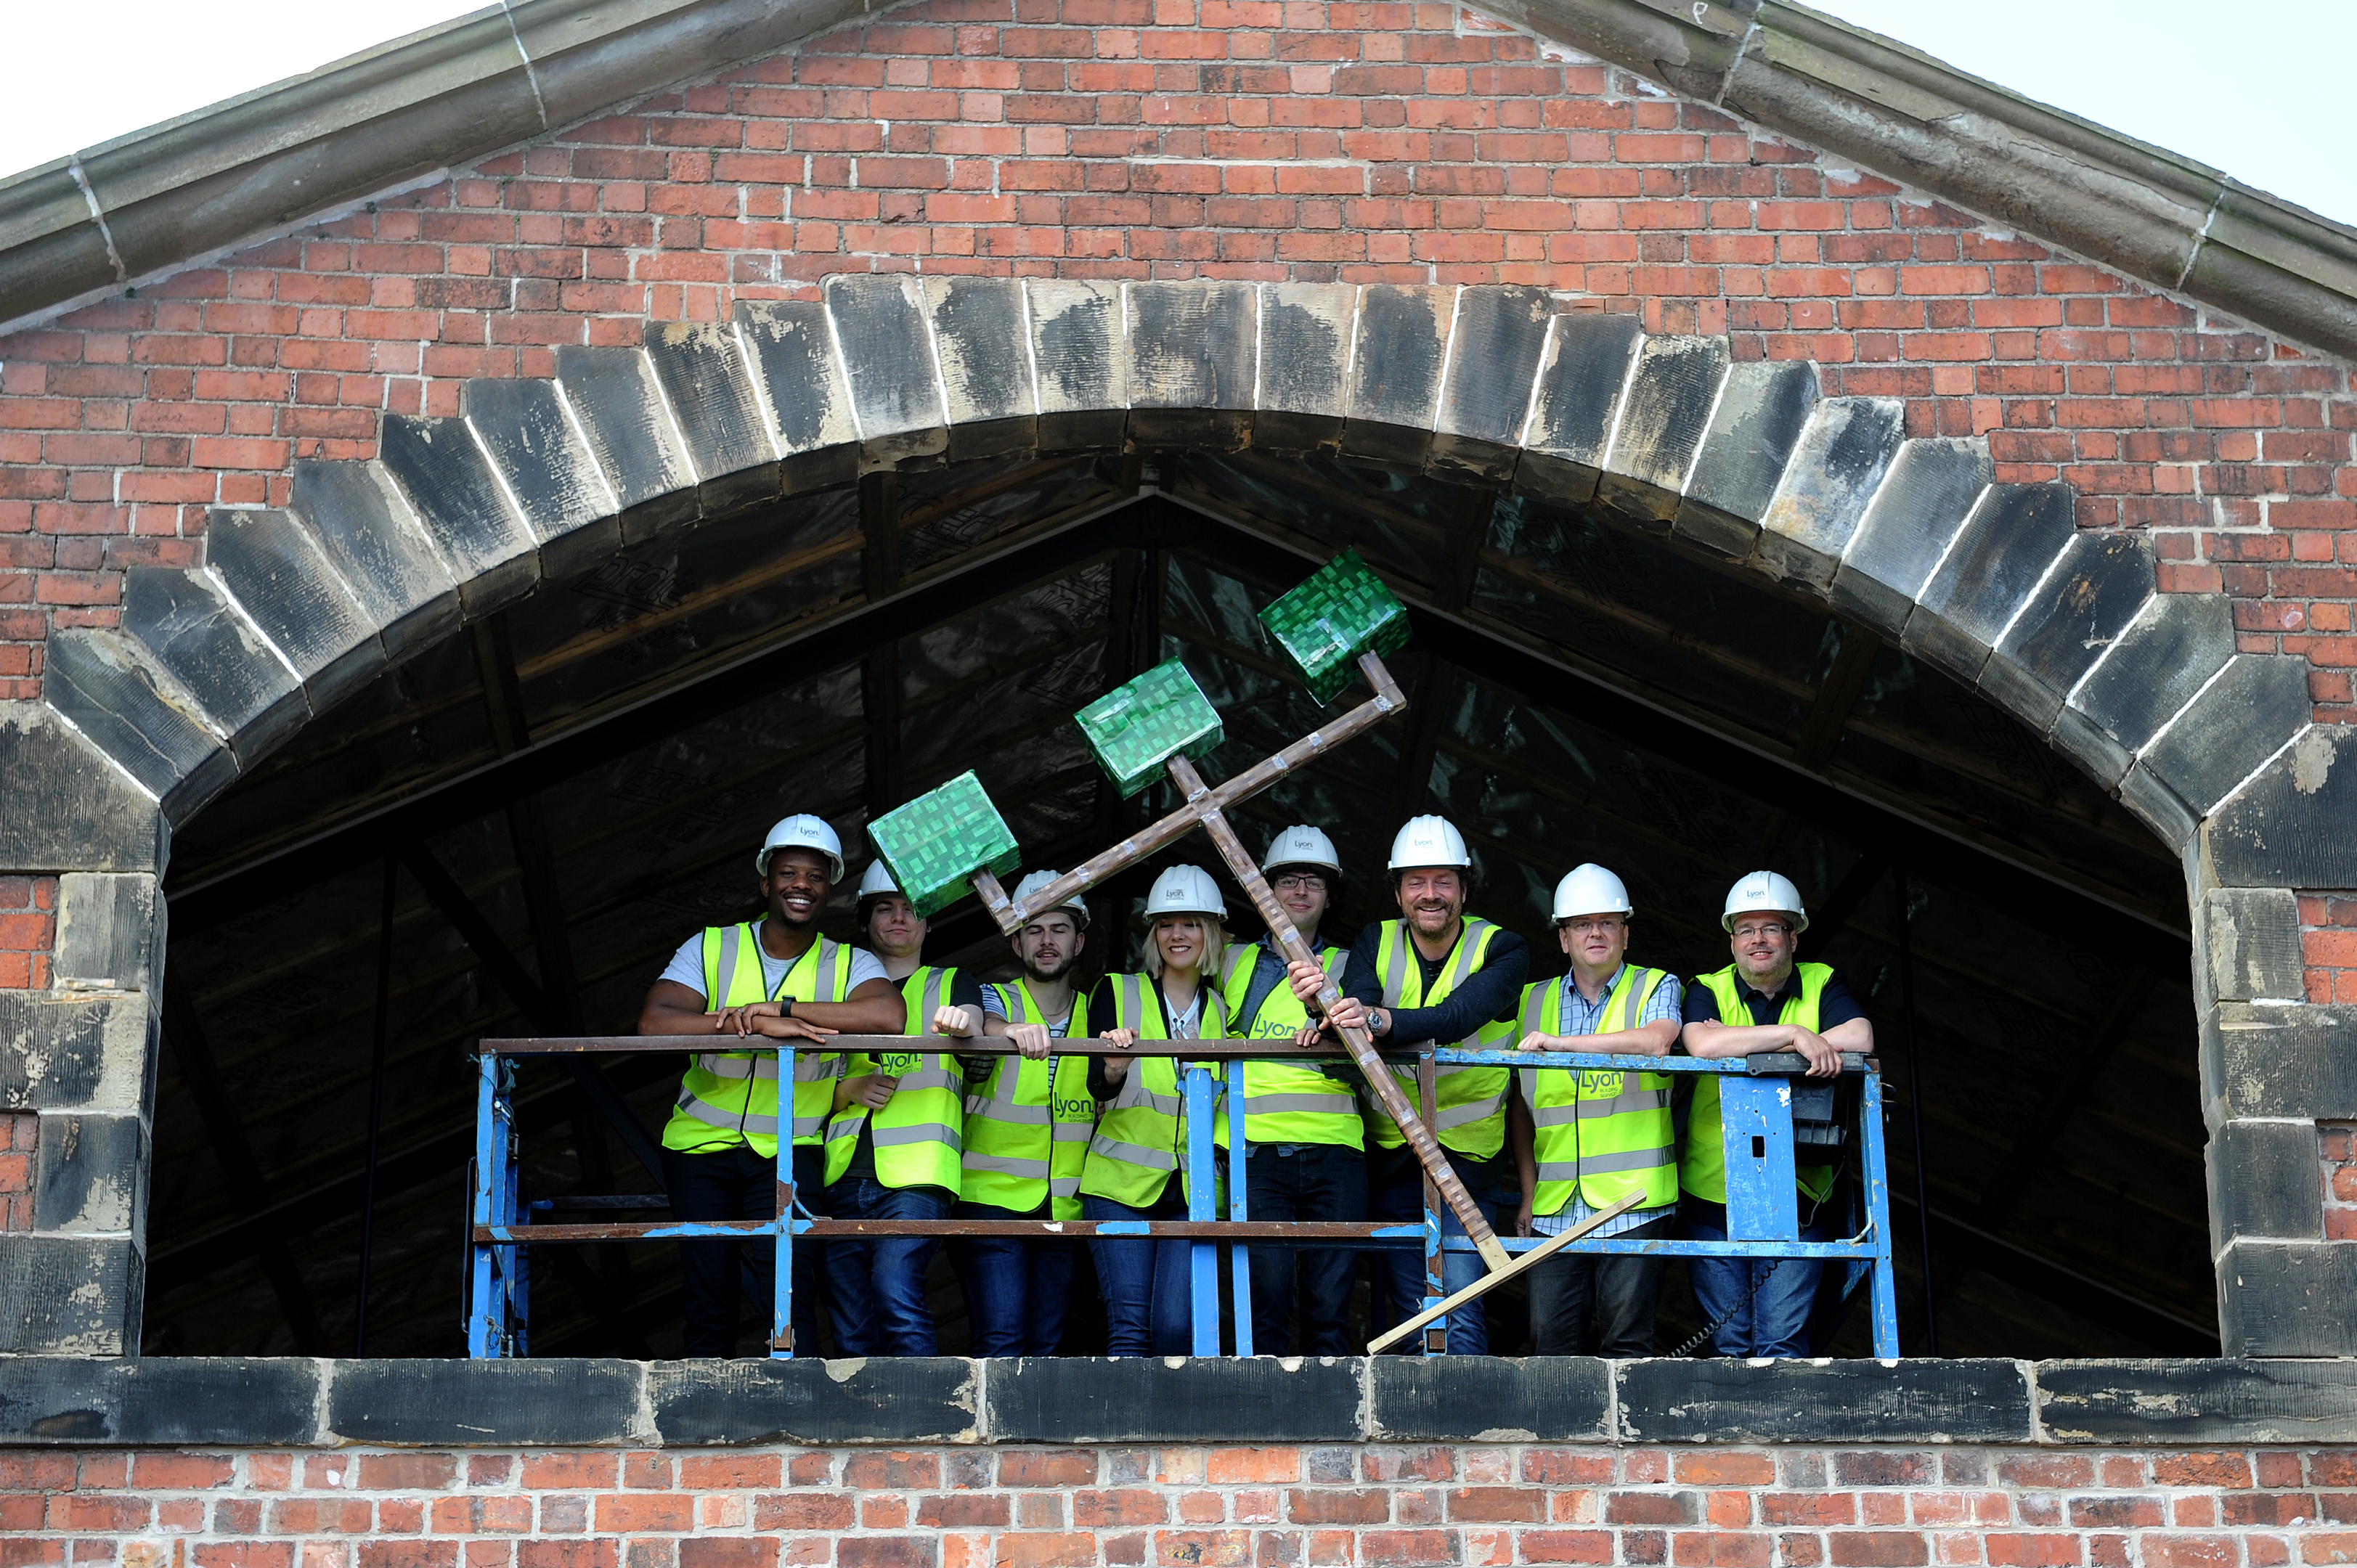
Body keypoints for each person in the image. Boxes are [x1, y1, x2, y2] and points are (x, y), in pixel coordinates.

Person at [638, 814, 906, 1357]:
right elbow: (656, 1022)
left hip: (790, 1149)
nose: (801, 885)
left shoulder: (849, 961)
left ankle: (794, 1422)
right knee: (709, 1296)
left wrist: (785, 1009)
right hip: (698, 1147)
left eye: (814, 875)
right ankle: (702, 1423)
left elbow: (889, 1014)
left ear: (828, 890)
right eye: (789, 873)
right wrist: (757, 1023)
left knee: (788, 1293)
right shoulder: (712, 946)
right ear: (766, 883)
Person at [1290, 814, 1528, 1355]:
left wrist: (1381, 1021)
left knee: (1459, 1308)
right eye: (1415, 882)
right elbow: (1359, 1002)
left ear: (1464, 889)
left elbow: (1458, 1015)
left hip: (1465, 1157)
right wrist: (1321, 1007)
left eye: (1443, 881)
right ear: (1397, 893)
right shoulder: (1375, 938)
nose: (1430, 894)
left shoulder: (1504, 948)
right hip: (1394, 1152)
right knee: (1408, 1312)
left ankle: (1469, 1430)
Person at [1679, 870, 1871, 1358]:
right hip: (1713, 1190)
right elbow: (1703, 1043)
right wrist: (1795, 1037)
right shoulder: (1706, 986)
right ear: (1731, 941)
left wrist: (1759, 1039)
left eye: (1770, 928)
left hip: (1798, 1190)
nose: (1758, 940)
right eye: (1746, 929)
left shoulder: (1823, 981)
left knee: (1782, 1345)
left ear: (1793, 936)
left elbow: (1862, 1038)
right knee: (1728, 1345)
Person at [1505, 864, 1682, 1356]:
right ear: (1564, 938)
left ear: (1626, 933)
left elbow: (1657, 1041)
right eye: (1583, 924)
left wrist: (1563, 1044)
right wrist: (1527, 1191)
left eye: (1608, 922)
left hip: (1635, 1201)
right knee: (1549, 1344)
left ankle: (1627, 1438)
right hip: (1555, 1207)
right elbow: (1521, 1103)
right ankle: (1563, 1438)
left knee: (1627, 1344)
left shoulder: (1656, 986)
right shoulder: (1529, 1002)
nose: (1596, 933)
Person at [816, 861, 984, 1356]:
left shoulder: (952, 981)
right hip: (842, 1173)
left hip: (917, 1177)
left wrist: (962, 1022)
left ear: (928, 924)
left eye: (911, 910)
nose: (898, 918)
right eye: (885, 909)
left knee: (896, 1294)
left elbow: (972, 1029)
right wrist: (846, 1092)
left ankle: (924, 1423)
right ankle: (861, 1430)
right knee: (848, 1320)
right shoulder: (837, 988)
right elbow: (803, 1078)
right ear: (866, 922)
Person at [932, 870, 1096, 1357]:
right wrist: (1007, 1029)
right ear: (1017, 941)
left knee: (1046, 1345)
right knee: (1002, 1340)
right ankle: (996, 1438)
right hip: (990, 1201)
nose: (1047, 941)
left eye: (1059, 929)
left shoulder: (1098, 1013)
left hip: (1065, 1205)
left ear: (1079, 940)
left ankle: (1031, 1438)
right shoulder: (993, 999)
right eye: (1034, 930)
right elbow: (974, 1022)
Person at [1217, 824, 1365, 1356]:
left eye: (1314, 883)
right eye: (1287, 881)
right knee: (1265, 1305)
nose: (1300, 892)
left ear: (1330, 897)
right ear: (1265, 891)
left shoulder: (1354, 966)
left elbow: (1373, 1058)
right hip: (1255, 1154)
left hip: (1336, 1151)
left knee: (1331, 1308)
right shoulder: (1227, 960)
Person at [1083, 864, 1230, 1357]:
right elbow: (1094, 1087)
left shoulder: (1225, 1010)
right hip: (1119, 1184)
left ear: (1210, 932)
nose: (1177, 934)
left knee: (1175, 1326)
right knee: (1129, 1328)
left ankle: (1173, 1437)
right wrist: (1114, 1068)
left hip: (1194, 1188)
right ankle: (1127, 1436)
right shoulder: (1115, 991)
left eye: (1190, 923)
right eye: (1166, 924)